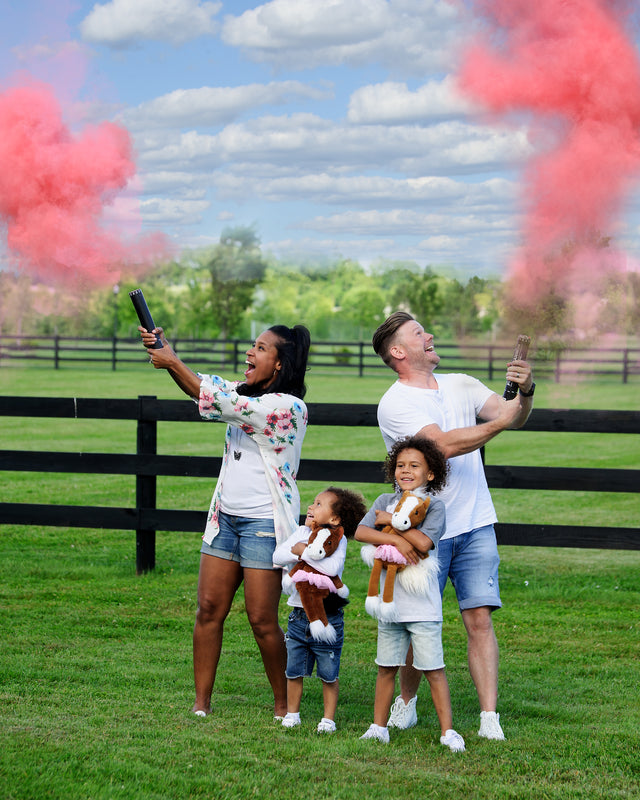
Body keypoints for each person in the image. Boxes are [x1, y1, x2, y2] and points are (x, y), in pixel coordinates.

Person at [371, 311, 535, 741]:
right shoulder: (395, 403)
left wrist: (526, 390)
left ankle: (488, 718)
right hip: (422, 531)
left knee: (479, 618)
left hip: (476, 522)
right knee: (415, 619)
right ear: (398, 351)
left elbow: (513, 414)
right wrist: (499, 422)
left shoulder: (461, 383)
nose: (430, 335)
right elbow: (438, 446)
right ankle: (406, 703)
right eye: (418, 333)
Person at [138, 321, 310, 720]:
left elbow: (220, 402)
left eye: (261, 348)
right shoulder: (242, 392)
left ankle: (285, 705)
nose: (250, 353)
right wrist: (167, 352)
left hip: (264, 524)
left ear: (280, 364)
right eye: (253, 345)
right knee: (209, 609)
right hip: (225, 520)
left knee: (262, 620)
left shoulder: (287, 408)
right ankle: (201, 704)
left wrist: (171, 361)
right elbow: (201, 385)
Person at [356, 436, 465, 751]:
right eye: (400, 465)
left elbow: (424, 543)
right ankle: (378, 727)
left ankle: (448, 732)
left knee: (433, 670)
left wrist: (390, 524)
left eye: (414, 466)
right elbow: (362, 531)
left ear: (430, 474)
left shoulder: (434, 506)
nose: (406, 470)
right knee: (386, 666)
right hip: (390, 606)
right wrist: (400, 541)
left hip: (423, 608)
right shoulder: (382, 500)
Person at [273, 487, 367, 733]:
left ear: (334, 519)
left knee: (328, 671)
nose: (311, 507)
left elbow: (331, 569)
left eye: (318, 504)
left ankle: (328, 719)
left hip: (328, 616)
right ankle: (292, 714)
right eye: (312, 502)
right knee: (294, 669)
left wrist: (302, 552)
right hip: (298, 615)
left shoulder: (340, 539)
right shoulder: (302, 532)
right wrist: (301, 550)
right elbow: (278, 555)